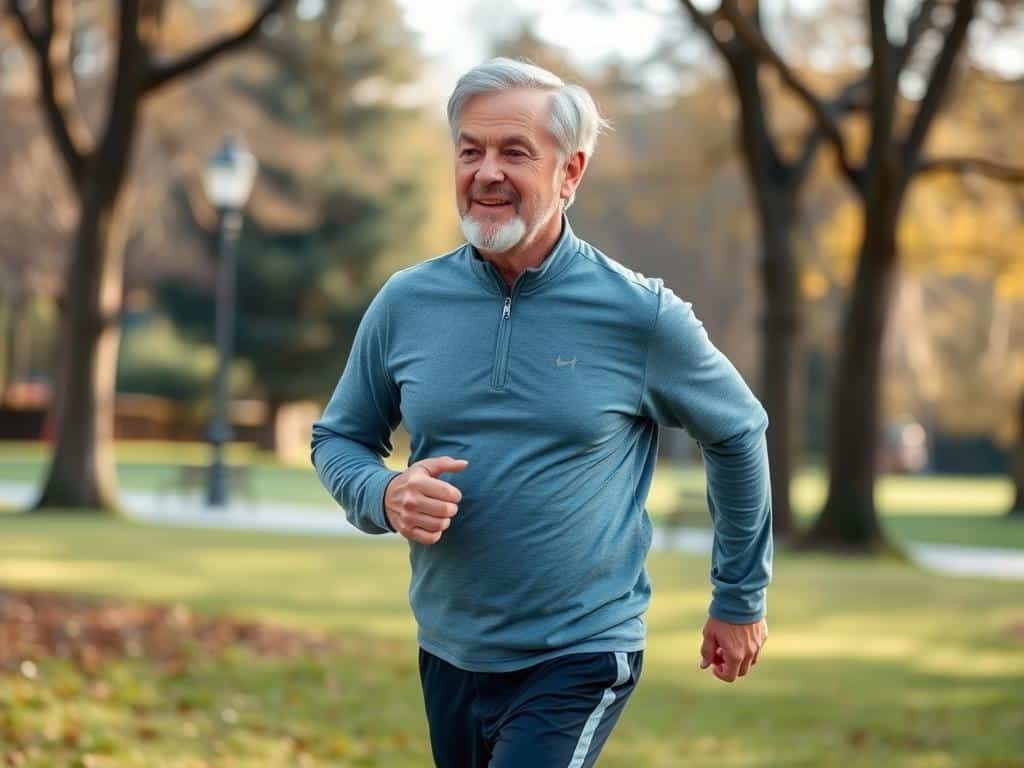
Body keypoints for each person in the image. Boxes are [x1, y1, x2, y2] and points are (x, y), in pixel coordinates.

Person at [311, 57, 772, 768]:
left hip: (580, 651)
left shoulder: (639, 315)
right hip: (449, 646)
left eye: (514, 152)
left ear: (571, 172)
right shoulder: (406, 302)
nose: (486, 171)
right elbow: (340, 436)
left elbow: (739, 432)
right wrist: (384, 493)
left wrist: (738, 596)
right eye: (470, 150)